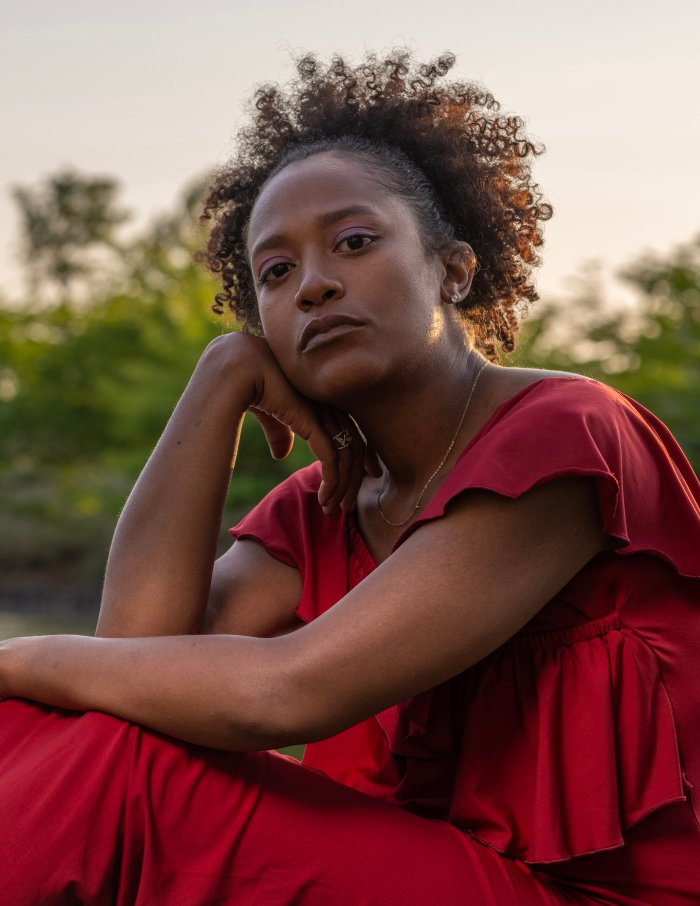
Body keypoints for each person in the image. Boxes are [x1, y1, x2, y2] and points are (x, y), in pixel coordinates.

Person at [1, 51, 699, 905]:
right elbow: (132, 666)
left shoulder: (565, 434)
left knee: (109, 767)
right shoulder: (323, 507)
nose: (316, 285)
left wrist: (19, 654)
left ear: (453, 268)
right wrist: (219, 376)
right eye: (275, 273)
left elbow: (285, 694)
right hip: (434, 870)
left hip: (595, 897)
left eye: (354, 242)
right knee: (41, 730)